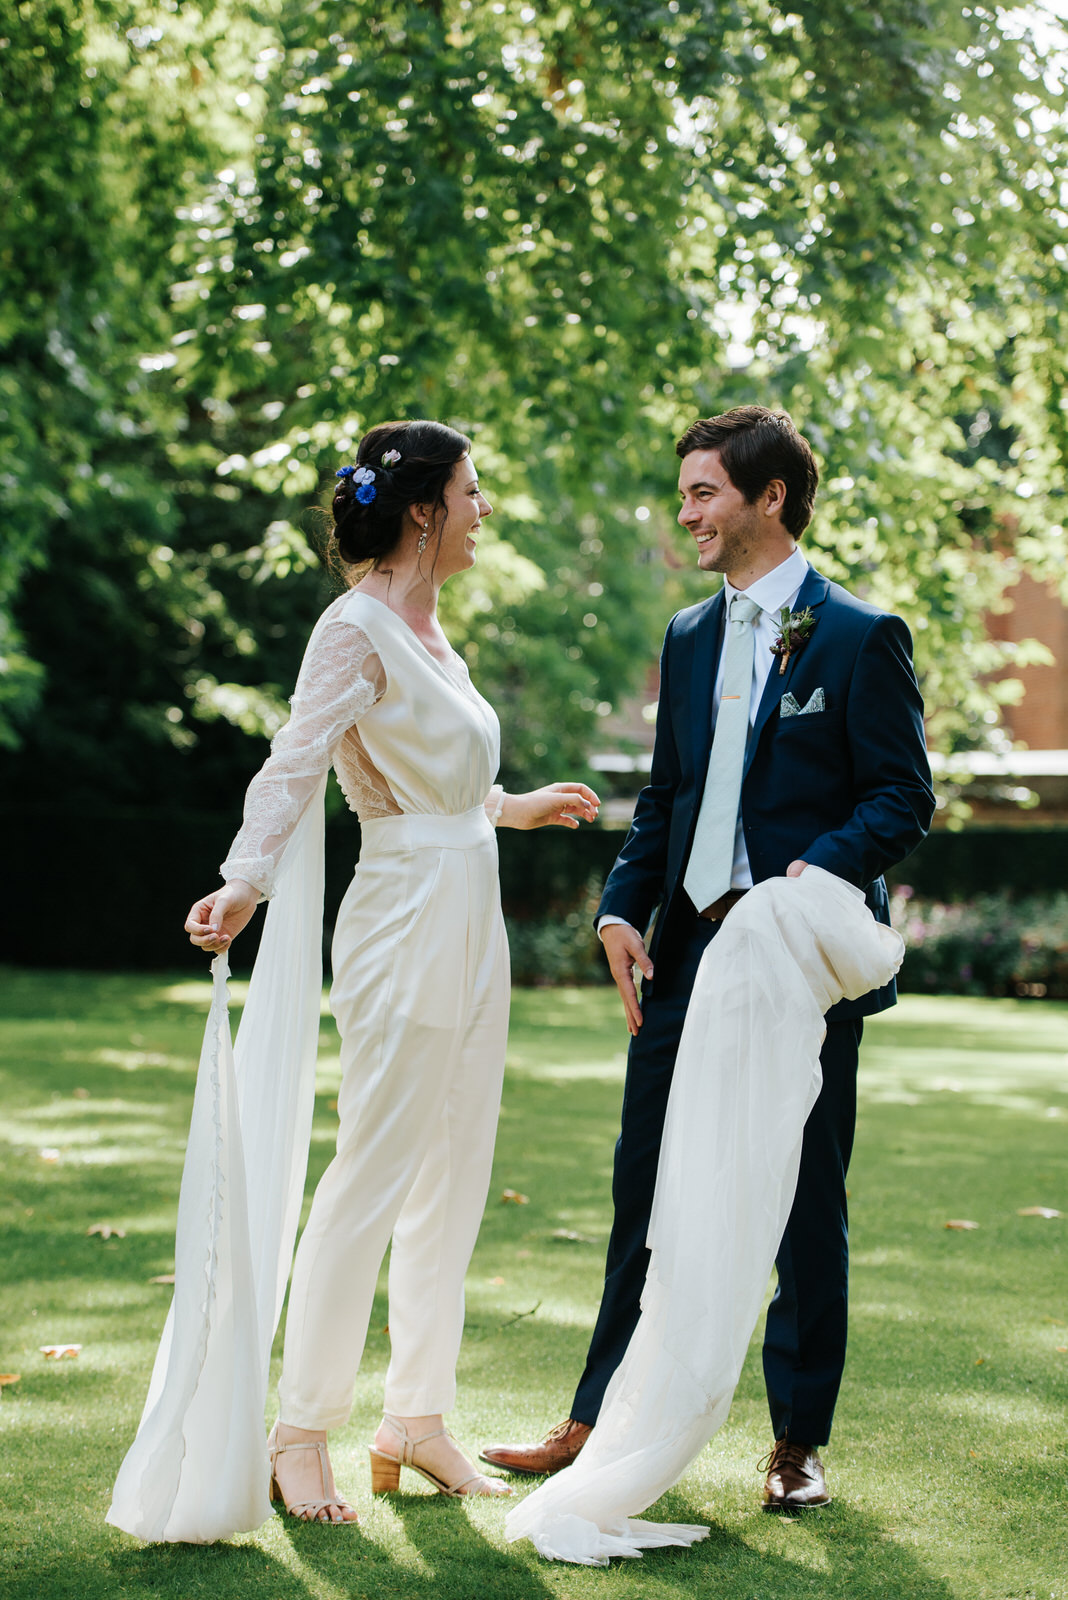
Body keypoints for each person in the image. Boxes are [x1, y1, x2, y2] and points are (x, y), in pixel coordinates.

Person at [482, 405, 934, 1511]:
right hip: (681, 959)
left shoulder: (858, 635)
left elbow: (902, 796)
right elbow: (669, 798)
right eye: (684, 493)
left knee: (803, 1198)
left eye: (702, 493)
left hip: (795, 966)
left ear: (768, 497)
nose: (685, 512)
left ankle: (796, 1444)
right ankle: (597, 1417)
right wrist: (621, 908)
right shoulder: (688, 636)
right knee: (643, 1190)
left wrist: (808, 879)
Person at [174, 420, 599, 1524]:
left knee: (456, 1172)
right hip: (403, 917)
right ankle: (300, 1428)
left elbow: (436, 782)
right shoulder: (354, 626)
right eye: (474, 488)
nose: (485, 507)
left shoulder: (431, 627)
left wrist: (516, 804)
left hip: (472, 907)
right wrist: (244, 881)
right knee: (371, 1172)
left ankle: (415, 1417)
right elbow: (299, 760)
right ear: (426, 509)